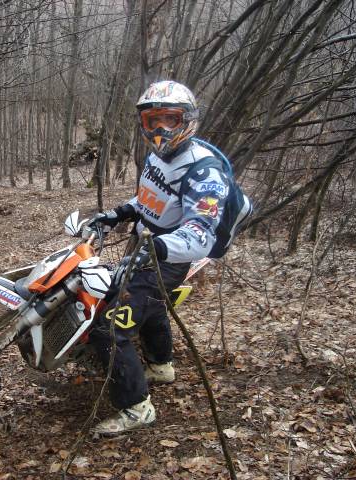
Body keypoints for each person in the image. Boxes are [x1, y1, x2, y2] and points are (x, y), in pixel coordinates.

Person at [89, 80, 252, 435]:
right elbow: (150, 198)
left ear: (187, 120)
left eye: (170, 119)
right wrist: (117, 214)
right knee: (150, 306)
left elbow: (201, 234)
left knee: (109, 326)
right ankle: (161, 366)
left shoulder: (205, 173)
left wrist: (158, 249)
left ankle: (136, 407)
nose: (160, 129)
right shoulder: (158, 158)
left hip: (168, 259)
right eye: (153, 121)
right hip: (147, 247)